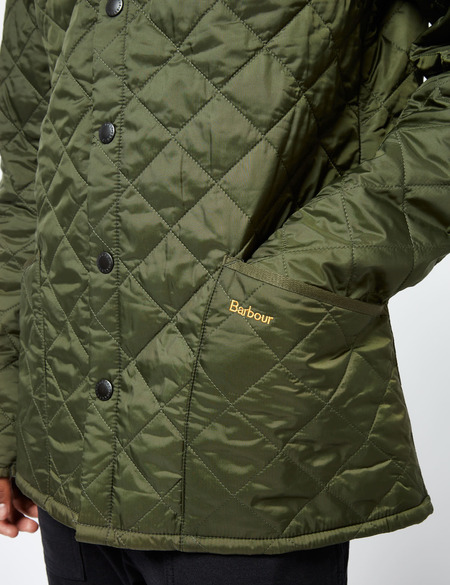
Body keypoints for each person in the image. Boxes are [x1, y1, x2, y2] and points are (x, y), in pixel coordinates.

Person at [0, 0, 448, 583]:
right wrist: (4, 413)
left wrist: (312, 267)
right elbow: (28, 171)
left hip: (245, 422)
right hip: (65, 438)